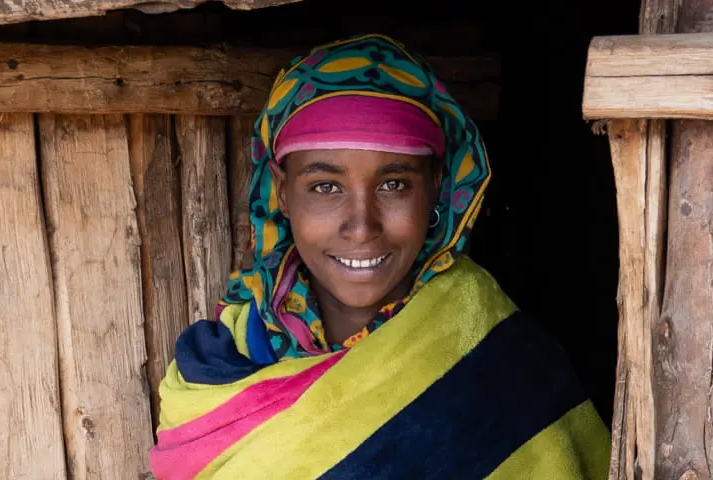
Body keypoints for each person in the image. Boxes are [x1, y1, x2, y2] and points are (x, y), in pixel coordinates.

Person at [149, 33, 610, 479]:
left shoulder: (497, 362)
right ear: (282, 191)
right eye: (325, 187)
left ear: (436, 186)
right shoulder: (219, 369)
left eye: (394, 184)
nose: (362, 225)